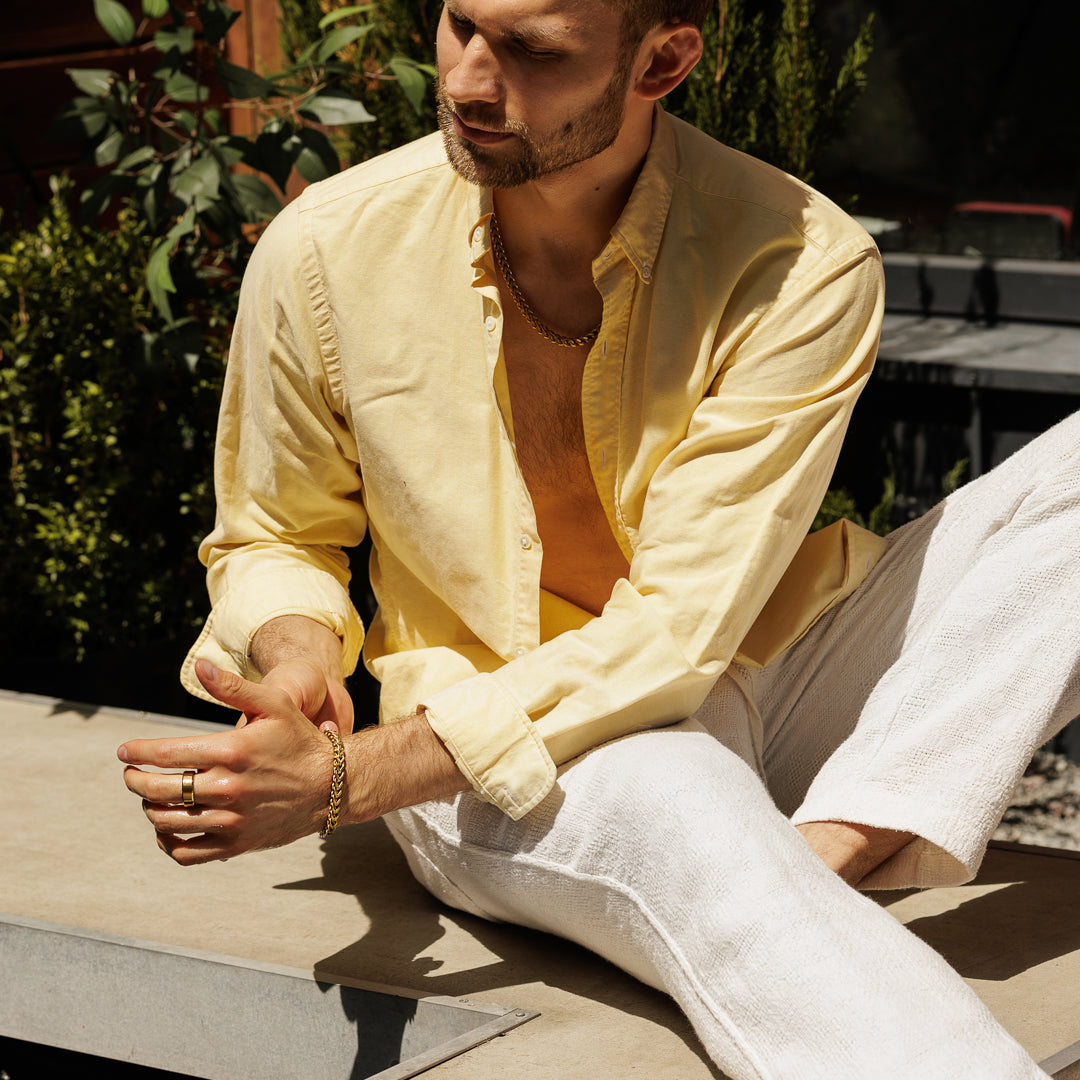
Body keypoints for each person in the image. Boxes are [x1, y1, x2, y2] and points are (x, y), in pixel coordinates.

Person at [117, 0, 1080, 1075]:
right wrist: (298, 660)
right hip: (487, 756)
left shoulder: (797, 259)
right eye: (458, 26)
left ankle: (818, 856)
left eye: (532, 51)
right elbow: (276, 533)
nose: (471, 82)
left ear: (662, 61)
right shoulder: (329, 246)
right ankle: (769, 875)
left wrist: (347, 776)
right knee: (676, 788)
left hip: (743, 671)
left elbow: (677, 634)